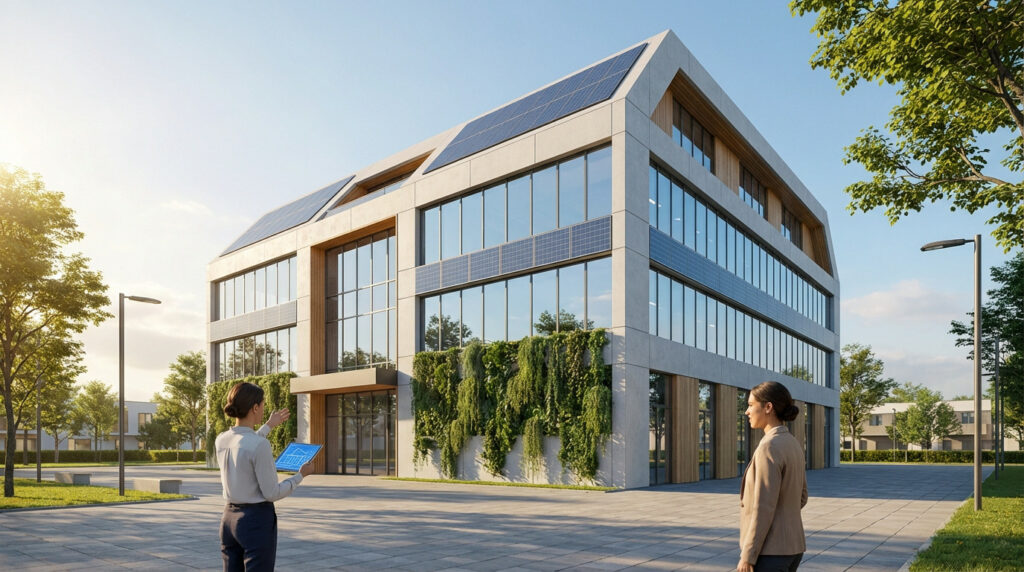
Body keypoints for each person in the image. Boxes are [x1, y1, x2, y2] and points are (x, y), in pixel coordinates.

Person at [217, 382, 315, 572]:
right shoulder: (259, 445)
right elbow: (272, 493)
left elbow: (244, 441)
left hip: (228, 519)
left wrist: (269, 425)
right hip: (255, 520)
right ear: (255, 408)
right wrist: (300, 475)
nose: (263, 409)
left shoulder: (221, 439)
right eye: (262, 404)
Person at [738, 381, 808, 572]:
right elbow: (802, 496)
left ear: (768, 407)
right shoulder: (792, 443)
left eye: (751, 405)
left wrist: (748, 555)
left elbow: (763, 507)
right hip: (793, 547)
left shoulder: (768, 447)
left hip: (770, 552)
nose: (747, 411)